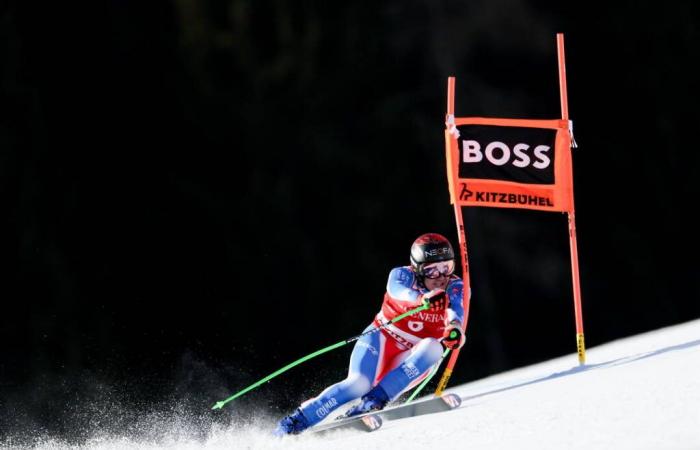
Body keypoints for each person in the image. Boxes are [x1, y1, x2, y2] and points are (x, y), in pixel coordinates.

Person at [273, 233, 466, 436]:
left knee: (434, 347)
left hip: (411, 356)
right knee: (358, 384)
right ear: (417, 269)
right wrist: (422, 299)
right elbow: (398, 291)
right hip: (382, 338)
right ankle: (294, 423)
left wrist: (454, 330)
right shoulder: (402, 275)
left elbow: (456, 310)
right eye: (432, 271)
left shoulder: (455, 286)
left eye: (447, 267)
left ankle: (371, 403)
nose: (441, 277)